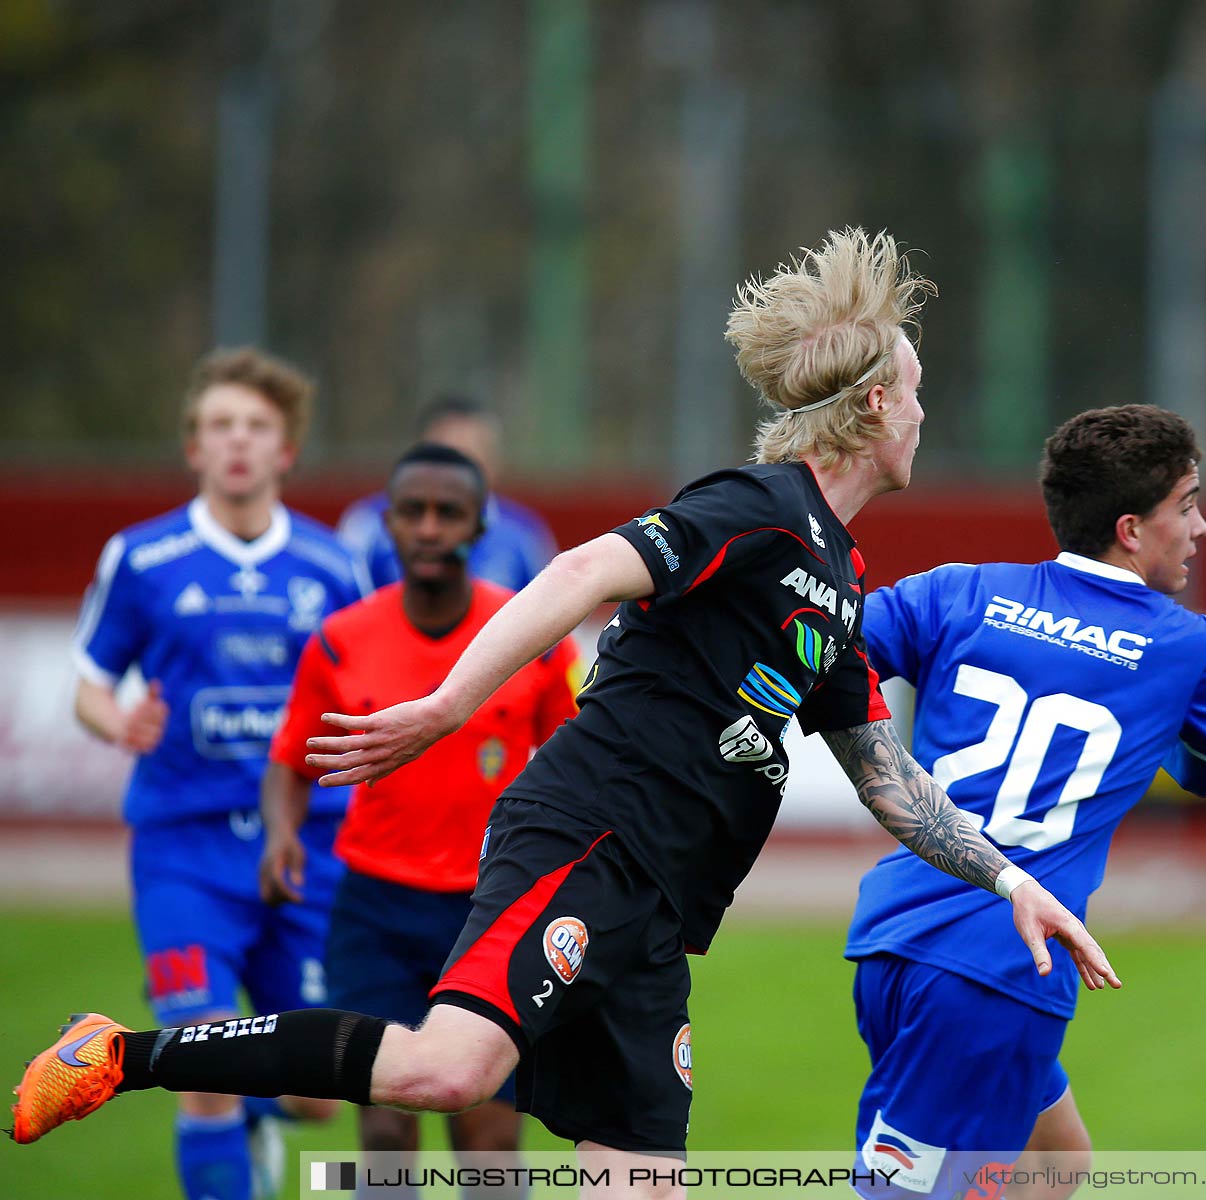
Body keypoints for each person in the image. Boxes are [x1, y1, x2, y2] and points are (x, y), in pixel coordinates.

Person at [10, 229, 1119, 1200]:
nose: (927, 411)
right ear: (876, 403)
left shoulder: (838, 578)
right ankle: (121, 1054)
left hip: (661, 918)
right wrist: (450, 703)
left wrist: (1013, 882)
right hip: (591, 837)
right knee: (447, 1073)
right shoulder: (757, 508)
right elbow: (588, 568)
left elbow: (889, 781)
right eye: (916, 389)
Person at [846, 405, 1206, 1200]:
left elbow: (823, 645)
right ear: (1130, 528)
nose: (1200, 528)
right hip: (1000, 971)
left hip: (896, 935)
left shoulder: (955, 593)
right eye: (1188, 504)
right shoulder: (1194, 646)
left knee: (1057, 1163)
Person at [45, 348, 362, 1200]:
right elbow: (87, 685)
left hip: (305, 846)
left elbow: (365, 690)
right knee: (203, 1059)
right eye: (220, 425)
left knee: (318, 1095)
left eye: (256, 427)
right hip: (183, 842)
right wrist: (120, 720)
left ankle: (269, 1113)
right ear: (193, 446)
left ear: (285, 449)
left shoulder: (333, 568)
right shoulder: (143, 559)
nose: (237, 443)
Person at [261, 442, 581, 1198]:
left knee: (488, 1138)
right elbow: (291, 758)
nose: (430, 528)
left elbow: (577, 760)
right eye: (414, 512)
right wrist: (281, 834)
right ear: (389, 526)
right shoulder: (341, 639)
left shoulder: (529, 635)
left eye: (450, 513)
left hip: (490, 912)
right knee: (383, 1131)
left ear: (479, 527)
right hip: (372, 906)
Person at [336, 396, 557, 595]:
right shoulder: (367, 523)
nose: (460, 473)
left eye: (475, 455)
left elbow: (551, 613)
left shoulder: (522, 533)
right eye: (450, 456)